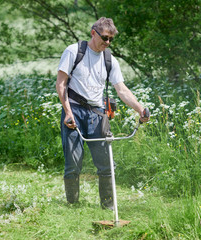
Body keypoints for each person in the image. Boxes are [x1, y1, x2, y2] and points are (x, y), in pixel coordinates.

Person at [56, 17, 149, 209]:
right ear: (93, 33)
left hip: (97, 115)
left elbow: (121, 89)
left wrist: (140, 109)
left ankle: (108, 206)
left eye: (110, 40)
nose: (107, 43)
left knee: (106, 163)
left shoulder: (109, 60)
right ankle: (72, 205)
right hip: (74, 111)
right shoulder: (74, 51)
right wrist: (67, 112)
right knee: (73, 163)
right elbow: (61, 83)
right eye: (104, 38)